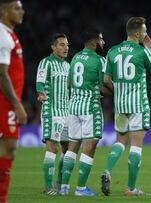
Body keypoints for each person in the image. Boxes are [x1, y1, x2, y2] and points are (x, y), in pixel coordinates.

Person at [101, 17, 151, 196]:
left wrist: (118, 92)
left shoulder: (112, 51)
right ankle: (131, 188)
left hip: (120, 105)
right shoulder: (142, 51)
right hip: (138, 104)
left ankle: (107, 171)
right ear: (137, 33)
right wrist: (150, 48)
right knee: (136, 145)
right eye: (144, 31)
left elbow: (106, 80)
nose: (146, 34)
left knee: (120, 141)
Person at [0, 0, 26, 202]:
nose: (22, 11)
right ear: (3, 10)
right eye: (16, 8)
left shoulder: (7, 33)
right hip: (3, 98)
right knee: (7, 149)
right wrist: (17, 105)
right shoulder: (1, 35)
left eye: (21, 7)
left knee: (9, 150)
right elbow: (2, 75)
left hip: (6, 98)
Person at [59, 29, 105, 196]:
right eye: (101, 39)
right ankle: (80, 188)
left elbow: (69, 83)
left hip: (74, 106)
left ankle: (64, 187)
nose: (103, 42)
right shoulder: (99, 60)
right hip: (89, 108)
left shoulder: (76, 57)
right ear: (93, 42)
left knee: (72, 147)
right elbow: (103, 84)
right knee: (89, 147)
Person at [36, 33, 70, 195]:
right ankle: (48, 186)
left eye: (67, 45)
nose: (66, 48)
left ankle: (58, 183)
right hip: (52, 111)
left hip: (67, 112)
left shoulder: (67, 66)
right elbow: (40, 83)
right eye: (62, 45)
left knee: (67, 148)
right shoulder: (46, 63)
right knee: (53, 147)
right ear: (53, 47)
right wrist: (41, 93)